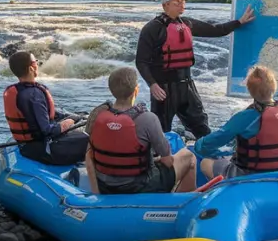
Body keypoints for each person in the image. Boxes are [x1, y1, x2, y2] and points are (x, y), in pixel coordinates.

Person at [135, 0, 255, 138]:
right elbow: (141, 61)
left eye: (183, 1)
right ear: (165, 5)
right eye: (177, 2)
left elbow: (216, 30)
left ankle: (203, 154)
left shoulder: (187, 24)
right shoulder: (152, 28)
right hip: (164, 88)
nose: (181, 4)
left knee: (202, 127)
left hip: (187, 86)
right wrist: (152, 84)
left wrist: (239, 22)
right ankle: (161, 158)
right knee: (161, 131)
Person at [83, 66, 197, 194]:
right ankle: (182, 201)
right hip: (139, 186)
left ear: (111, 90)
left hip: (105, 185)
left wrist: (96, 193)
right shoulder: (148, 119)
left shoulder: (97, 116)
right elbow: (168, 161)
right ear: (135, 90)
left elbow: (89, 156)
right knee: (189, 156)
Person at [193, 65, 278, 180]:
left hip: (250, 174)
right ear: (274, 86)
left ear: (250, 90)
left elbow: (213, 141)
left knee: (206, 163)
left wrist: (197, 145)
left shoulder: (246, 117)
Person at [2, 51, 89, 166]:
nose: (37, 64)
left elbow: (45, 114)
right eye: (35, 62)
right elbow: (47, 131)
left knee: (77, 124)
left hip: (27, 146)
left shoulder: (16, 91)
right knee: (92, 139)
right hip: (42, 150)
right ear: (31, 68)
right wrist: (68, 122)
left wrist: (76, 116)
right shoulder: (34, 95)